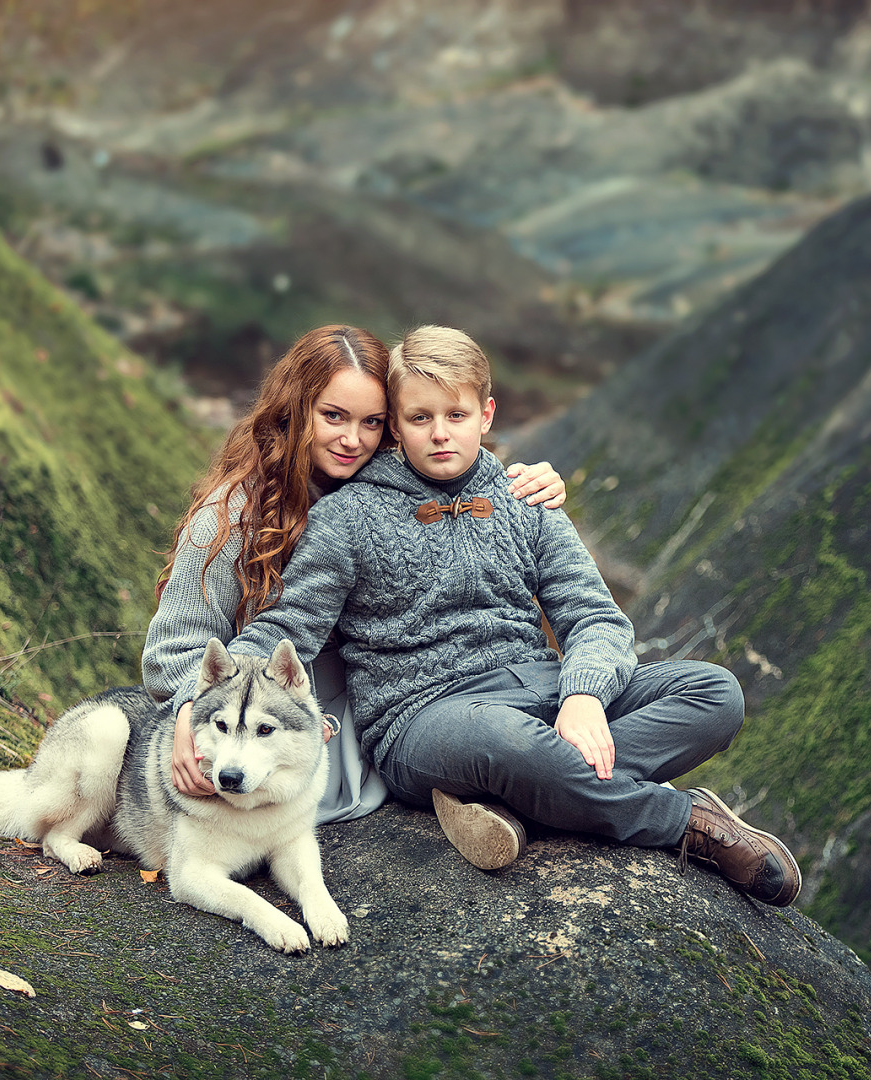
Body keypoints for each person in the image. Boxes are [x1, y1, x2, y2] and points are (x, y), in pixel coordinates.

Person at [218, 325, 801, 906]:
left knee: (716, 694)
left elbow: (596, 618)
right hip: (425, 718)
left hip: (542, 689)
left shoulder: (526, 501)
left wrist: (583, 696)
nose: (440, 433)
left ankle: (526, 797)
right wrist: (202, 703)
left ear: (487, 414)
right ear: (395, 425)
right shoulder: (347, 519)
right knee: (506, 741)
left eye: (457, 414)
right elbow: (287, 628)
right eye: (420, 418)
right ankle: (685, 823)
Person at [141, 324, 565, 825]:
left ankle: (498, 795)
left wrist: (521, 480)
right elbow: (169, 653)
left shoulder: (385, 488)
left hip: (385, 694)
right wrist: (192, 715)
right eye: (333, 416)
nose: (351, 439)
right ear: (296, 410)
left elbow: (458, 478)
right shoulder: (233, 514)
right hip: (270, 717)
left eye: (372, 422)